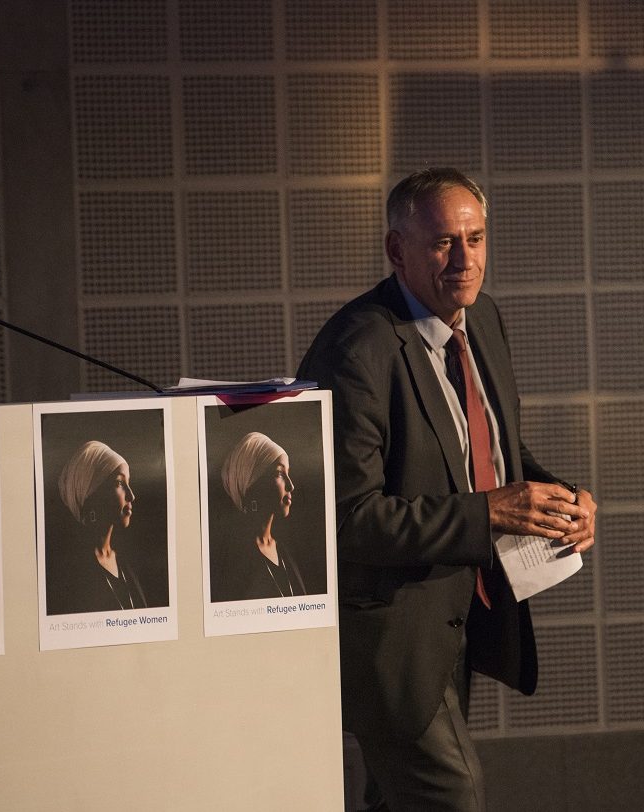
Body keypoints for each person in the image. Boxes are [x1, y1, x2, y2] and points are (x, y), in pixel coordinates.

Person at [297, 167, 597, 810]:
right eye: (442, 243)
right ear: (396, 250)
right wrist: (489, 514)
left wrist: (560, 496)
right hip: (389, 632)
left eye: (477, 238)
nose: (465, 259)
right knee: (452, 793)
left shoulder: (481, 316)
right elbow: (346, 520)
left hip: (461, 609)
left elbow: (488, 445)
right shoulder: (358, 350)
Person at [46, 440, 147, 615]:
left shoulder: (127, 564)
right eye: (119, 483)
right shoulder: (70, 575)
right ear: (92, 495)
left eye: (128, 483)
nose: (131, 495)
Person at [210, 431, 309, 601]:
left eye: (288, 473)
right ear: (252, 482)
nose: (291, 486)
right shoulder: (233, 559)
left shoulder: (285, 551)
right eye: (279, 473)